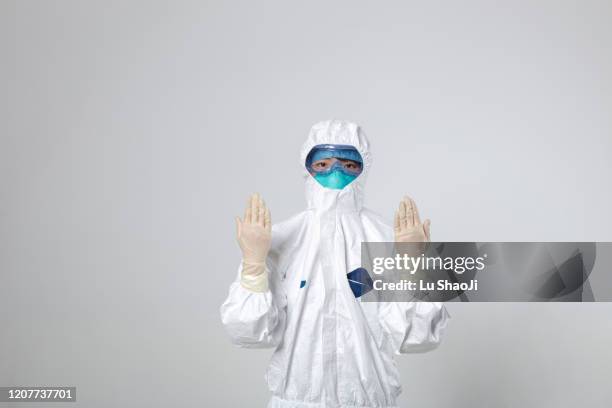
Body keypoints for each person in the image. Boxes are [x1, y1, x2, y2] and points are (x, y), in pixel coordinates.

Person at [220, 120, 449, 408]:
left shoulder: (388, 240)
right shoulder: (280, 239)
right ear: (307, 167)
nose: (336, 172)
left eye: (349, 164)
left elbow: (416, 338)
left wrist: (413, 264)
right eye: (324, 163)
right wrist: (253, 263)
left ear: (363, 167)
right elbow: (249, 333)